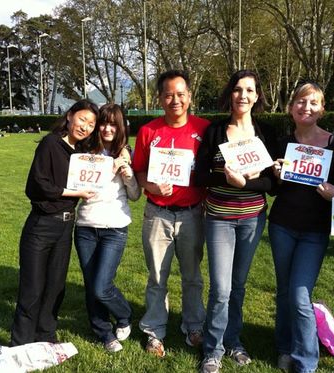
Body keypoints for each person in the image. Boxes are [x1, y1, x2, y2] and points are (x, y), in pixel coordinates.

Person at [195, 70, 277, 373]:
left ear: (257, 96)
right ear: (230, 94)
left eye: (249, 90)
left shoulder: (266, 133)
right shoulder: (215, 131)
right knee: (220, 288)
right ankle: (212, 350)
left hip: (253, 219)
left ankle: (233, 341)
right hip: (218, 219)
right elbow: (200, 175)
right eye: (238, 89)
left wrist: (246, 184)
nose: (243, 95)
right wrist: (225, 175)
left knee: (239, 286)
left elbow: (273, 184)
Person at [268, 81, 334, 372]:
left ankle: (306, 360)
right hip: (282, 226)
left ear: (322, 109)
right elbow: (274, 190)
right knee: (284, 291)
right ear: (291, 108)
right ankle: (284, 345)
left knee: (300, 294)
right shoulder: (282, 143)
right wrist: (276, 175)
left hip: (314, 231)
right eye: (301, 102)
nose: (306, 107)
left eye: (313, 103)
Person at [132, 70, 209, 357]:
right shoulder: (148, 131)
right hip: (158, 214)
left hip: (192, 214)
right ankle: (154, 331)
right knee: (157, 276)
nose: (174, 100)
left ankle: (194, 327)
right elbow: (139, 171)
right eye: (168, 95)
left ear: (189, 96)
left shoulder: (204, 128)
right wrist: (150, 185)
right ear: (160, 98)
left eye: (180, 94)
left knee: (192, 276)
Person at [10, 99, 99, 346]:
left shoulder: (81, 153)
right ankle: (21, 343)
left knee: (56, 287)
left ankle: (46, 336)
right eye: (82, 119)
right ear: (70, 116)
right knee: (32, 289)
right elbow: (37, 185)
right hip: (41, 225)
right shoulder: (51, 143)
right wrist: (75, 192)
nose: (85, 127)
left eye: (91, 124)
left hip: (65, 227)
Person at [74, 103, 141, 353]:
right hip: (86, 226)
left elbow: (134, 195)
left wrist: (126, 172)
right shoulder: (86, 152)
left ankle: (124, 315)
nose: (107, 128)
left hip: (115, 227)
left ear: (121, 126)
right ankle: (103, 332)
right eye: (103, 122)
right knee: (91, 285)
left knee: (102, 286)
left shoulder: (126, 152)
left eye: (113, 123)